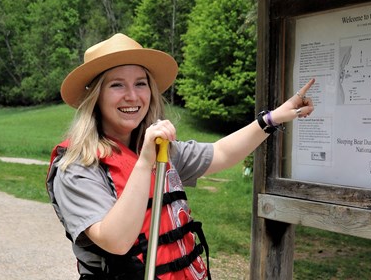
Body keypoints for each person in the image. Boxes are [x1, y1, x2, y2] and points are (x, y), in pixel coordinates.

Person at [46, 33, 315, 279]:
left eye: (140, 83)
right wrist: (146, 162)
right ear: (96, 97)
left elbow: (221, 153)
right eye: (117, 85)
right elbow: (115, 240)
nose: (132, 95)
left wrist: (272, 118)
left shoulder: (161, 149)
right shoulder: (77, 166)